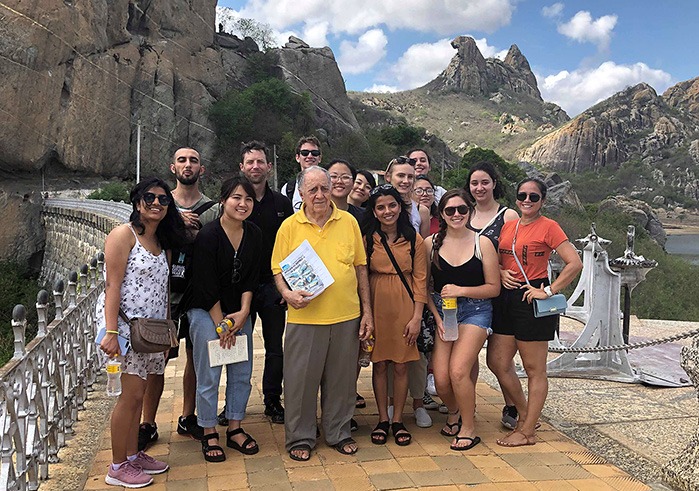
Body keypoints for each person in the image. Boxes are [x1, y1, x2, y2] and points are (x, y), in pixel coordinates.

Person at [271, 166, 373, 462]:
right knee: (300, 382)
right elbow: (278, 269)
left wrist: (367, 310)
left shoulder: (349, 222)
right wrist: (287, 294)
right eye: (312, 189)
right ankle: (300, 437)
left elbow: (360, 266)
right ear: (301, 193)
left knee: (341, 382)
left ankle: (338, 432)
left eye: (324, 189)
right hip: (305, 318)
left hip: (346, 316)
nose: (319, 195)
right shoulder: (290, 226)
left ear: (332, 191)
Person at [98, 177, 185, 487]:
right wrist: (110, 332)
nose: (157, 203)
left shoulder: (161, 243)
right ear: (137, 202)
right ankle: (117, 466)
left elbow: (163, 292)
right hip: (124, 329)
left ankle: (133, 455)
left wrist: (166, 335)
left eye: (163, 199)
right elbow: (113, 284)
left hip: (149, 333)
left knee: (139, 395)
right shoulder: (124, 235)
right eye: (150, 197)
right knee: (130, 396)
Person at [490, 178, 582, 447]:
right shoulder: (509, 226)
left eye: (533, 197)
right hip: (506, 297)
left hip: (532, 299)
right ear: (516, 198)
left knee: (534, 369)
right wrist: (499, 271)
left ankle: (528, 431)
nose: (527, 201)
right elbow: (495, 257)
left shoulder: (549, 227)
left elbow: (574, 262)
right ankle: (526, 415)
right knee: (497, 362)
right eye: (522, 196)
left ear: (543, 200)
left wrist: (549, 290)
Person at [139, 147, 216, 451]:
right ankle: (147, 422)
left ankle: (188, 416)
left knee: (196, 360)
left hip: (198, 294)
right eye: (182, 160)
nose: (188, 165)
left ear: (202, 169)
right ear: (173, 167)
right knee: (156, 360)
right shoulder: (160, 204)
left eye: (193, 160)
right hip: (164, 297)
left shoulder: (214, 208)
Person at [186, 176, 263, 462]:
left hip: (239, 312)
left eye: (248, 199)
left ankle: (235, 427)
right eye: (236, 198)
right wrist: (222, 326)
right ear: (223, 200)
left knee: (242, 372)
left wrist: (243, 314)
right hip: (207, 311)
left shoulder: (254, 234)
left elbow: (251, 278)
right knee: (210, 375)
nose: (242, 204)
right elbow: (205, 286)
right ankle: (208, 431)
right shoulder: (208, 235)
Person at [425, 189, 500, 450]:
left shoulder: (483, 243)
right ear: (442, 215)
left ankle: (468, 426)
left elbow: (494, 287)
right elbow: (423, 287)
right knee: (442, 380)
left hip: (476, 311)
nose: (456, 214)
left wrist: (461, 290)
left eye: (462, 210)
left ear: (469, 212)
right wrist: (436, 318)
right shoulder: (431, 243)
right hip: (444, 312)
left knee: (458, 371)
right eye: (450, 210)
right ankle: (456, 409)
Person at [360, 184, 427, 446]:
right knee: (379, 363)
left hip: (405, 304)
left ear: (400, 207)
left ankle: (398, 419)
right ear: (374, 212)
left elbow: (421, 280)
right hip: (376, 303)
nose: (387, 211)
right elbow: (361, 275)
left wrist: (417, 317)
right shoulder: (368, 239)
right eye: (381, 207)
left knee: (401, 365)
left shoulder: (414, 239)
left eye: (392, 205)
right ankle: (382, 419)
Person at [238, 141, 294, 424]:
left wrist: (289, 286)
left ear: (269, 167)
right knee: (237, 348)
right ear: (242, 167)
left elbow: (294, 247)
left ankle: (273, 400)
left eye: (260, 162)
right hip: (240, 288)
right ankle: (235, 404)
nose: (255, 167)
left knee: (275, 347)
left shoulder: (282, 204)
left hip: (274, 286)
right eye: (250, 162)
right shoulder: (235, 201)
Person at [464, 161, 521, 430]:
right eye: (474, 183)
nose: (479, 188)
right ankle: (467, 404)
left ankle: (515, 406)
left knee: (499, 359)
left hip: (501, 296)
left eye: (484, 182)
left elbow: (517, 255)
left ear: (494, 183)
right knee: (468, 355)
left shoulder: (508, 216)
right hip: (471, 296)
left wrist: (499, 270)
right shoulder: (465, 214)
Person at [384, 156, 431, 428]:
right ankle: (391, 401)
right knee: (390, 346)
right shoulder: (380, 206)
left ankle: (418, 402)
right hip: (387, 284)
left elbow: (423, 249)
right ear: (389, 176)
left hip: (414, 283)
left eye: (410, 177)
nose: (405, 181)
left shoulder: (420, 211)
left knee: (417, 348)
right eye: (400, 175)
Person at [280, 135, 322, 210]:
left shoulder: (328, 186)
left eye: (314, 153)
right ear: (297, 157)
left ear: (319, 158)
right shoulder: (288, 189)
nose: (310, 156)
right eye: (305, 153)